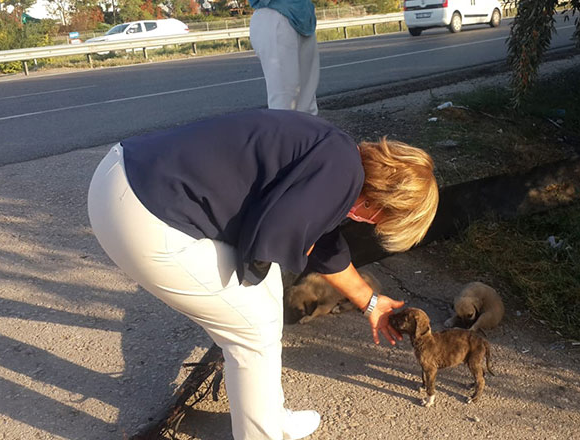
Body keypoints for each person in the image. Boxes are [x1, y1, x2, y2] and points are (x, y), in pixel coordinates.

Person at [87, 109, 439, 440]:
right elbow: (276, 234)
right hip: (144, 215)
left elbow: (318, 239)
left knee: (265, 291)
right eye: (381, 220)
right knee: (253, 330)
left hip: (127, 171)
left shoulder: (337, 154)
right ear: (380, 201)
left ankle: (267, 416)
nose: (372, 225)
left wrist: (371, 302)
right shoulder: (341, 174)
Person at [248, 0, 319, 114]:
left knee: (307, 101)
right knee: (284, 99)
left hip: (303, 14)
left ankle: (306, 131)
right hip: (274, 14)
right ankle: (284, 131)